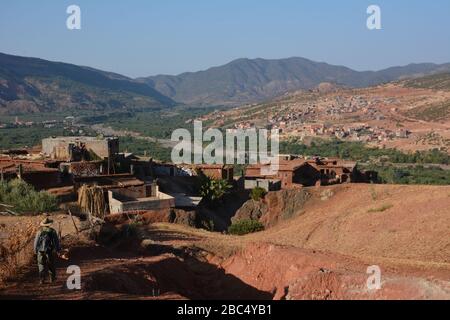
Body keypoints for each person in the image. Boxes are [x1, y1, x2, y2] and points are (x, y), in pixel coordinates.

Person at [33, 217, 61, 284]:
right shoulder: (52, 231)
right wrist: (58, 250)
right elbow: (56, 242)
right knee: (51, 265)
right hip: (49, 251)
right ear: (49, 224)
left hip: (40, 251)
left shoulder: (39, 231)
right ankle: (52, 279)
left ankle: (42, 280)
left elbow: (36, 242)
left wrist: (35, 251)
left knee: (41, 265)